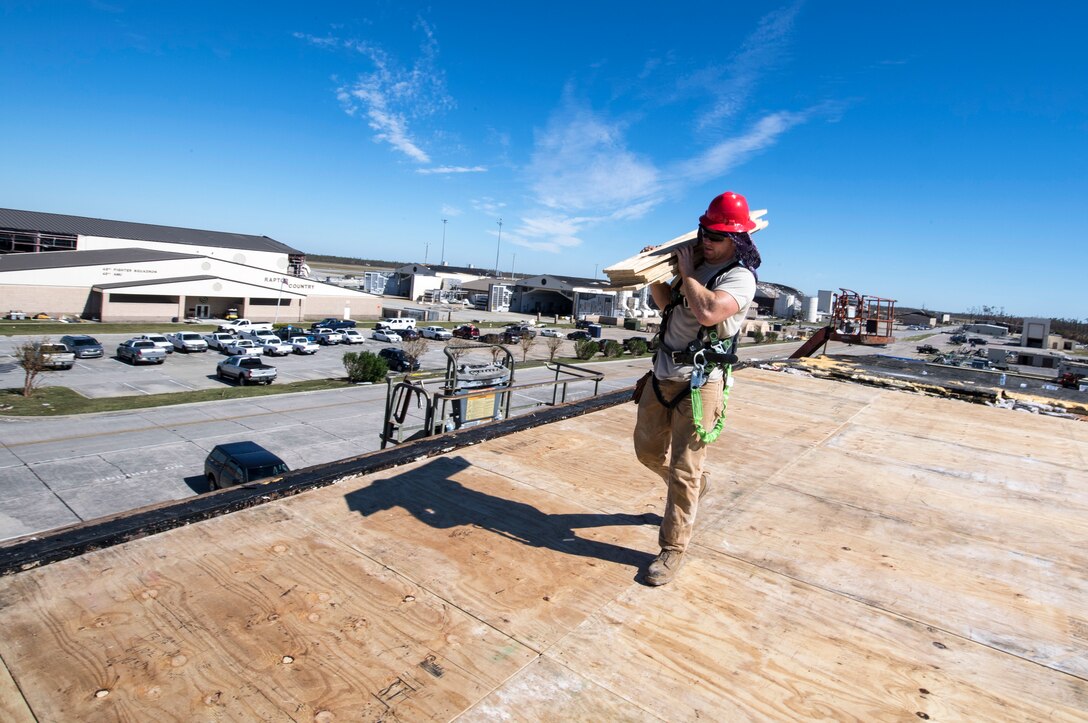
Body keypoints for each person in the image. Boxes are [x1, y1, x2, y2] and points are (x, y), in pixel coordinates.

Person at [634, 191, 761, 586]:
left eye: (718, 236)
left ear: (737, 241)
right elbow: (665, 303)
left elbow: (708, 311)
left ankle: (673, 548)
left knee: (685, 469)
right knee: (647, 451)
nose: (708, 240)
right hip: (662, 376)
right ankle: (694, 486)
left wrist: (688, 272)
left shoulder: (739, 278)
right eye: (705, 231)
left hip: (700, 384)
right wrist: (658, 272)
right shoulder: (695, 265)